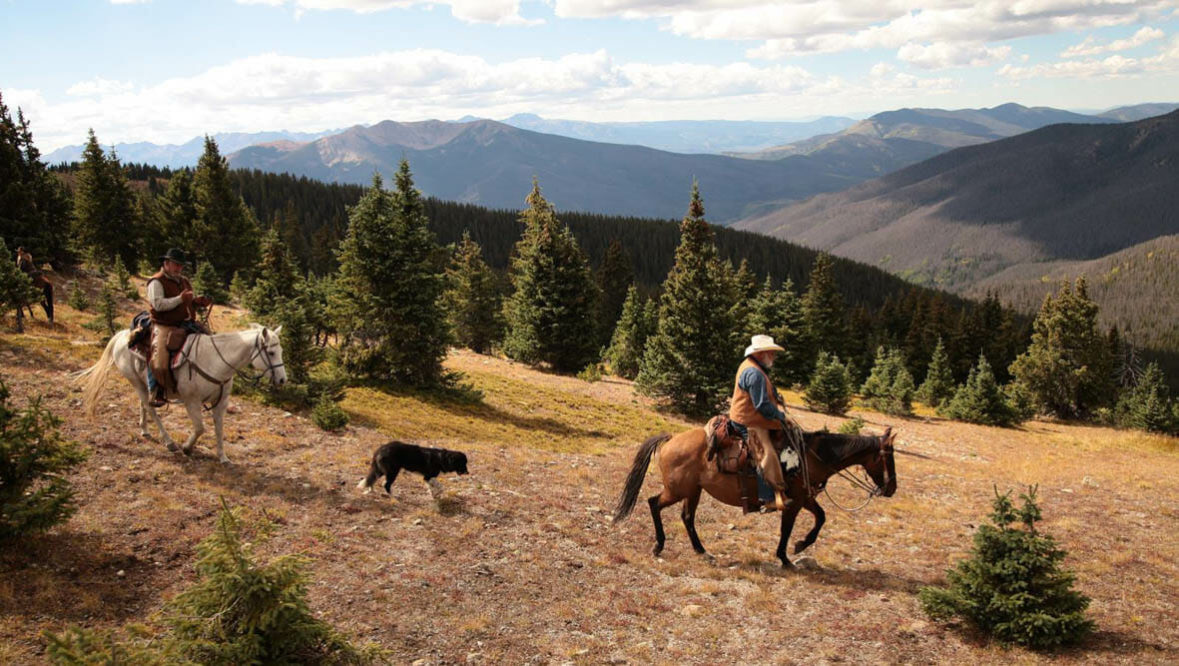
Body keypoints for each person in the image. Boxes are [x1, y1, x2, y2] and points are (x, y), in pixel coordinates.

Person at [728, 334, 799, 511]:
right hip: (748, 421)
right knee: (766, 452)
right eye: (771, 353)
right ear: (761, 354)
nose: (774, 357)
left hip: (752, 417)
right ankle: (767, 498)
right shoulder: (754, 373)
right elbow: (761, 406)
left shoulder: (755, 367)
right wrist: (781, 417)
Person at [146, 248, 210, 406]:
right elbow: (158, 304)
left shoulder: (184, 281)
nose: (179, 268)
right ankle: (157, 390)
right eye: (176, 265)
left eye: (181, 266)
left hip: (186, 323)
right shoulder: (156, 281)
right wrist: (180, 299)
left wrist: (196, 302)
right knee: (160, 360)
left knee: (211, 343)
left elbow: (187, 302)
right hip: (165, 324)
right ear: (166, 263)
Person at [15, 246, 53, 323]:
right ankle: (49, 315)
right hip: (34, 273)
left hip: (29, 275)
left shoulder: (23, 259)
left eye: (19, 251)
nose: (18, 252)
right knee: (43, 301)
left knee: (18, 290)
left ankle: (21, 313)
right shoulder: (27, 258)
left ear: (22, 252)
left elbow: (21, 270)